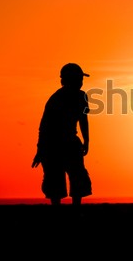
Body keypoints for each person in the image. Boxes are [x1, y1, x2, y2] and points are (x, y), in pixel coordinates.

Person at [32, 63, 92, 207]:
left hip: (66, 143)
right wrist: (40, 150)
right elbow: (45, 127)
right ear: (68, 80)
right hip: (54, 145)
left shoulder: (80, 96)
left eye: (81, 79)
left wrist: (86, 141)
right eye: (78, 79)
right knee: (56, 180)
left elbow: (83, 120)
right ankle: (59, 212)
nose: (81, 82)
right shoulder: (56, 99)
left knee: (77, 177)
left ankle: (74, 210)